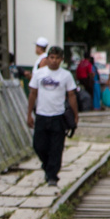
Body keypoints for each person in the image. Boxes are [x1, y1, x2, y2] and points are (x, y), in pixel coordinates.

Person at [25, 45, 80, 186]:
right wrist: (29, 114)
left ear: (62, 60)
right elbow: (33, 93)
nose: (54, 61)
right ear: (48, 58)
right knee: (39, 145)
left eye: (57, 58)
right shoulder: (39, 74)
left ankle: (52, 176)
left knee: (56, 147)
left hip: (58, 115)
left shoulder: (66, 75)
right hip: (42, 115)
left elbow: (71, 95)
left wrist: (75, 114)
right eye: (52, 57)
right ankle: (47, 164)